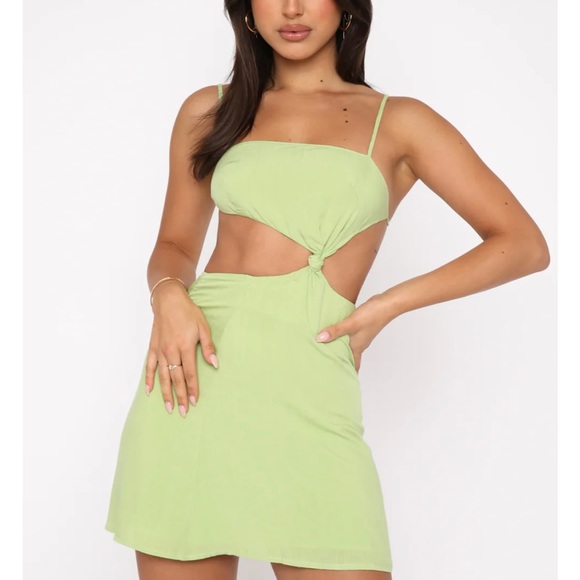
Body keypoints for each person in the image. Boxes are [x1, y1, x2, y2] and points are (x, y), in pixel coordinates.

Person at [104, 1, 550, 579]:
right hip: (192, 385)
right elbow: (174, 245)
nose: (292, 8)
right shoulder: (209, 110)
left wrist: (386, 306)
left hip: (311, 385)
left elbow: (523, 244)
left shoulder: (400, 121)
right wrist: (167, 293)